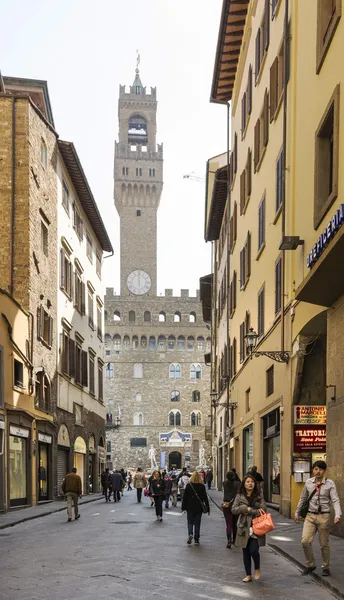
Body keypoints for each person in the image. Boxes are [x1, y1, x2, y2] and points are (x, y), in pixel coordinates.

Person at [295, 460, 342, 577]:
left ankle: (326, 567)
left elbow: (335, 500)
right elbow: (303, 498)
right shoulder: (308, 483)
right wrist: (297, 512)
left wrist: (337, 515)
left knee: (324, 544)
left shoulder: (330, 484)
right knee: (305, 541)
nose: (318, 471)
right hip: (310, 516)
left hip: (324, 516)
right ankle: (311, 564)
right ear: (313, 470)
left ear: (324, 471)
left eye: (320, 469)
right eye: (315, 469)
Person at [232, 474, 267, 582]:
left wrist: (250, 510)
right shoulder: (239, 496)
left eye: (252, 482)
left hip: (256, 526)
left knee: (254, 550)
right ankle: (248, 574)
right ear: (244, 484)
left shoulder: (259, 495)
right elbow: (234, 509)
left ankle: (257, 567)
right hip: (243, 526)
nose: (250, 483)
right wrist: (244, 508)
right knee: (245, 551)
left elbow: (263, 509)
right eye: (247, 482)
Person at [182, 471, 210, 545]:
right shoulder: (202, 486)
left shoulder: (188, 485)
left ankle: (190, 534)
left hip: (190, 507)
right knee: (197, 523)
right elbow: (205, 498)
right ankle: (196, 539)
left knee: (190, 522)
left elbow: (184, 498)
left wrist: (183, 507)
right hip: (198, 507)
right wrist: (208, 507)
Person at [222, 471, 240, 548]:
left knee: (228, 524)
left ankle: (228, 540)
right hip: (235, 505)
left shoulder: (224, 483)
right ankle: (234, 540)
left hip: (226, 505)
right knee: (234, 524)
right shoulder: (237, 484)